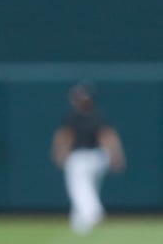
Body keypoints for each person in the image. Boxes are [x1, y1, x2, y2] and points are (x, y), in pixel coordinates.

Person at [50, 82, 126, 234]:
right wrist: (115, 155)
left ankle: (93, 212)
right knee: (88, 188)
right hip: (98, 157)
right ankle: (79, 222)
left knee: (80, 188)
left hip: (81, 157)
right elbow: (108, 137)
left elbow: (66, 137)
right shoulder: (97, 115)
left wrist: (59, 152)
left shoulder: (76, 116)